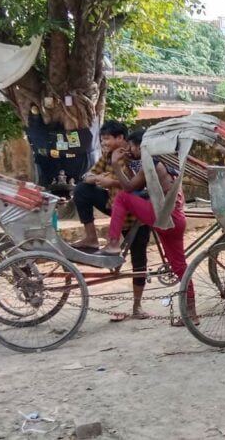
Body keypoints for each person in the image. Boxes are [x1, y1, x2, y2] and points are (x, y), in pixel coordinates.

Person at [99, 131, 195, 325]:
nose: (130, 150)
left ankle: (113, 243)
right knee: (179, 266)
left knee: (122, 198)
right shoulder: (165, 163)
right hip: (175, 218)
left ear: (141, 147)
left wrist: (117, 164)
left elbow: (128, 188)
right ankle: (191, 313)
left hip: (163, 216)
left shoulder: (149, 163)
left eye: (133, 147)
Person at [70, 120, 151, 317]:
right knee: (82, 190)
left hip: (136, 213)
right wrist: (100, 179)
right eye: (103, 139)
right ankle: (91, 237)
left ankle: (137, 305)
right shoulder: (107, 155)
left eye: (107, 139)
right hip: (114, 207)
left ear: (120, 138)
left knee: (139, 258)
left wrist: (110, 180)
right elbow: (88, 176)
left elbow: (137, 185)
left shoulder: (134, 155)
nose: (104, 143)